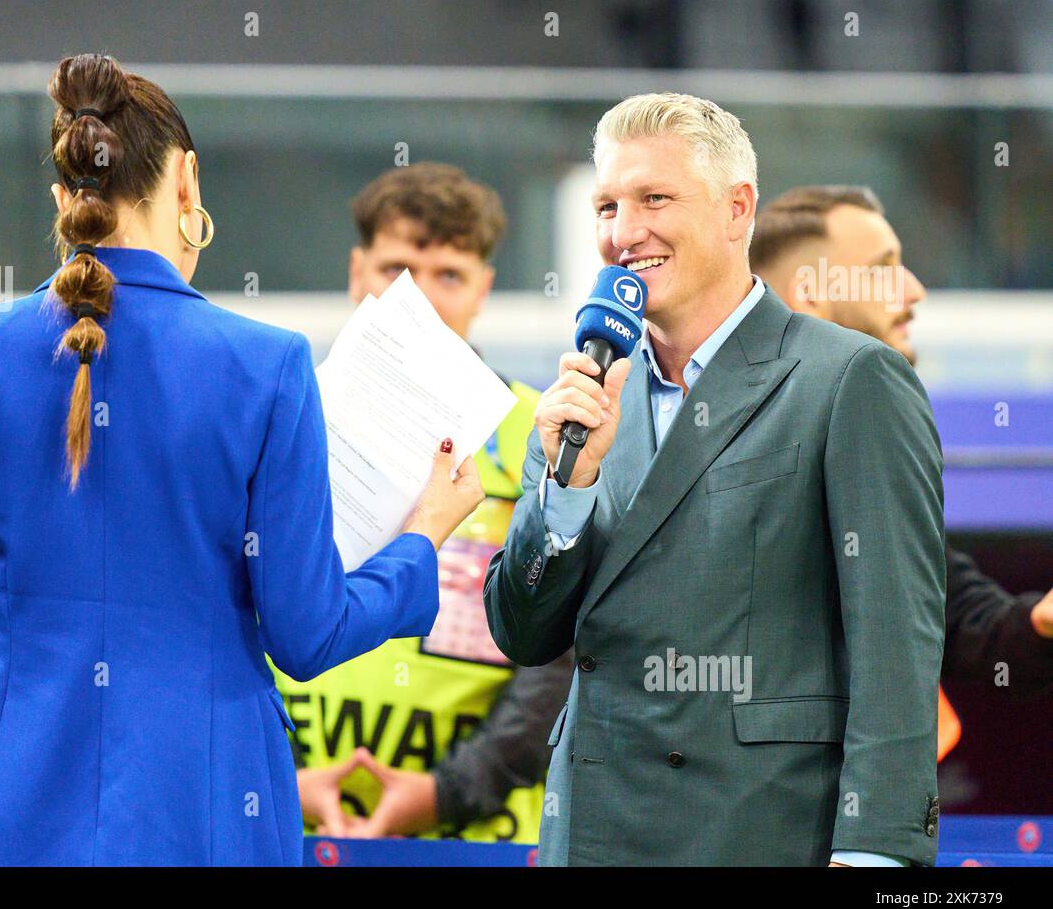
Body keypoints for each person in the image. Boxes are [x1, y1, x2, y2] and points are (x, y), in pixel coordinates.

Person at [0, 54, 483, 867]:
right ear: (187, 183)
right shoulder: (268, 366)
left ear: (64, 195)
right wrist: (422, 537)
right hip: (200, 811)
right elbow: (307, 633)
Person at [484, 93, 945, 866]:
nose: (623, 231)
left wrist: (875, 854)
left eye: (653, 197)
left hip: (763, 834)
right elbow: (524, 631)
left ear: (739, 210)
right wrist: (565, 489)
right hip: (593, 835)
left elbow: (896, 643)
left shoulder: (849, 379)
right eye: (606, 204)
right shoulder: (581, 399)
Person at [276, 163, 571, 843]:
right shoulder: (282, 419)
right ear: (358, 273)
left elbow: (562, 648)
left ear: (483, 290)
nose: (422, 300)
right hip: (293, 811)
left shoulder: (540, 433)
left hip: (476, 831)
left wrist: (450, 791)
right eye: (398, 270)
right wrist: (271, 779)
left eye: (448, 276)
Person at [750, 183, 1053, 759]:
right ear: (809, 294)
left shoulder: (874, 438)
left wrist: (1038, 621)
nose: (913, 289)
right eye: (883, 268)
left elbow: (959, 617)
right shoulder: (705, 438)